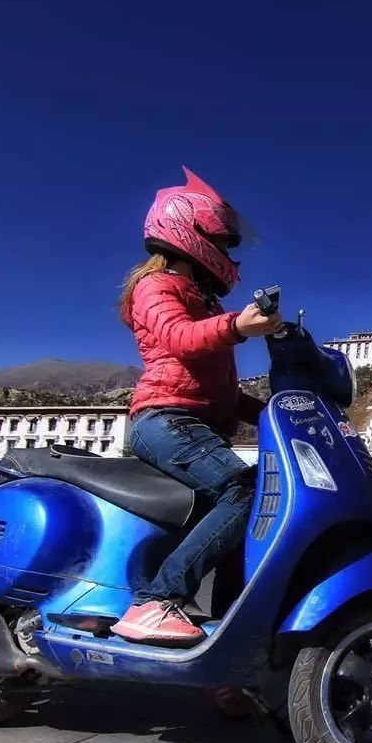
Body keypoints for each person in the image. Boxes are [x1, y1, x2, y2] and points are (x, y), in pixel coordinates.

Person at [109, 168, 282, 648]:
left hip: (194, 422)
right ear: (192, 232)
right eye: (223, 244)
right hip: (164, 418)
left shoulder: (200, 301)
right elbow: (178, 340)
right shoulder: (157, 287)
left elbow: (222, 392)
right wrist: (237, 327)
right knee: (245, 490)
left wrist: (275, 412)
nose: (228, 257)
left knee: (241, 519)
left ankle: (230, 637)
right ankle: (158, 602)